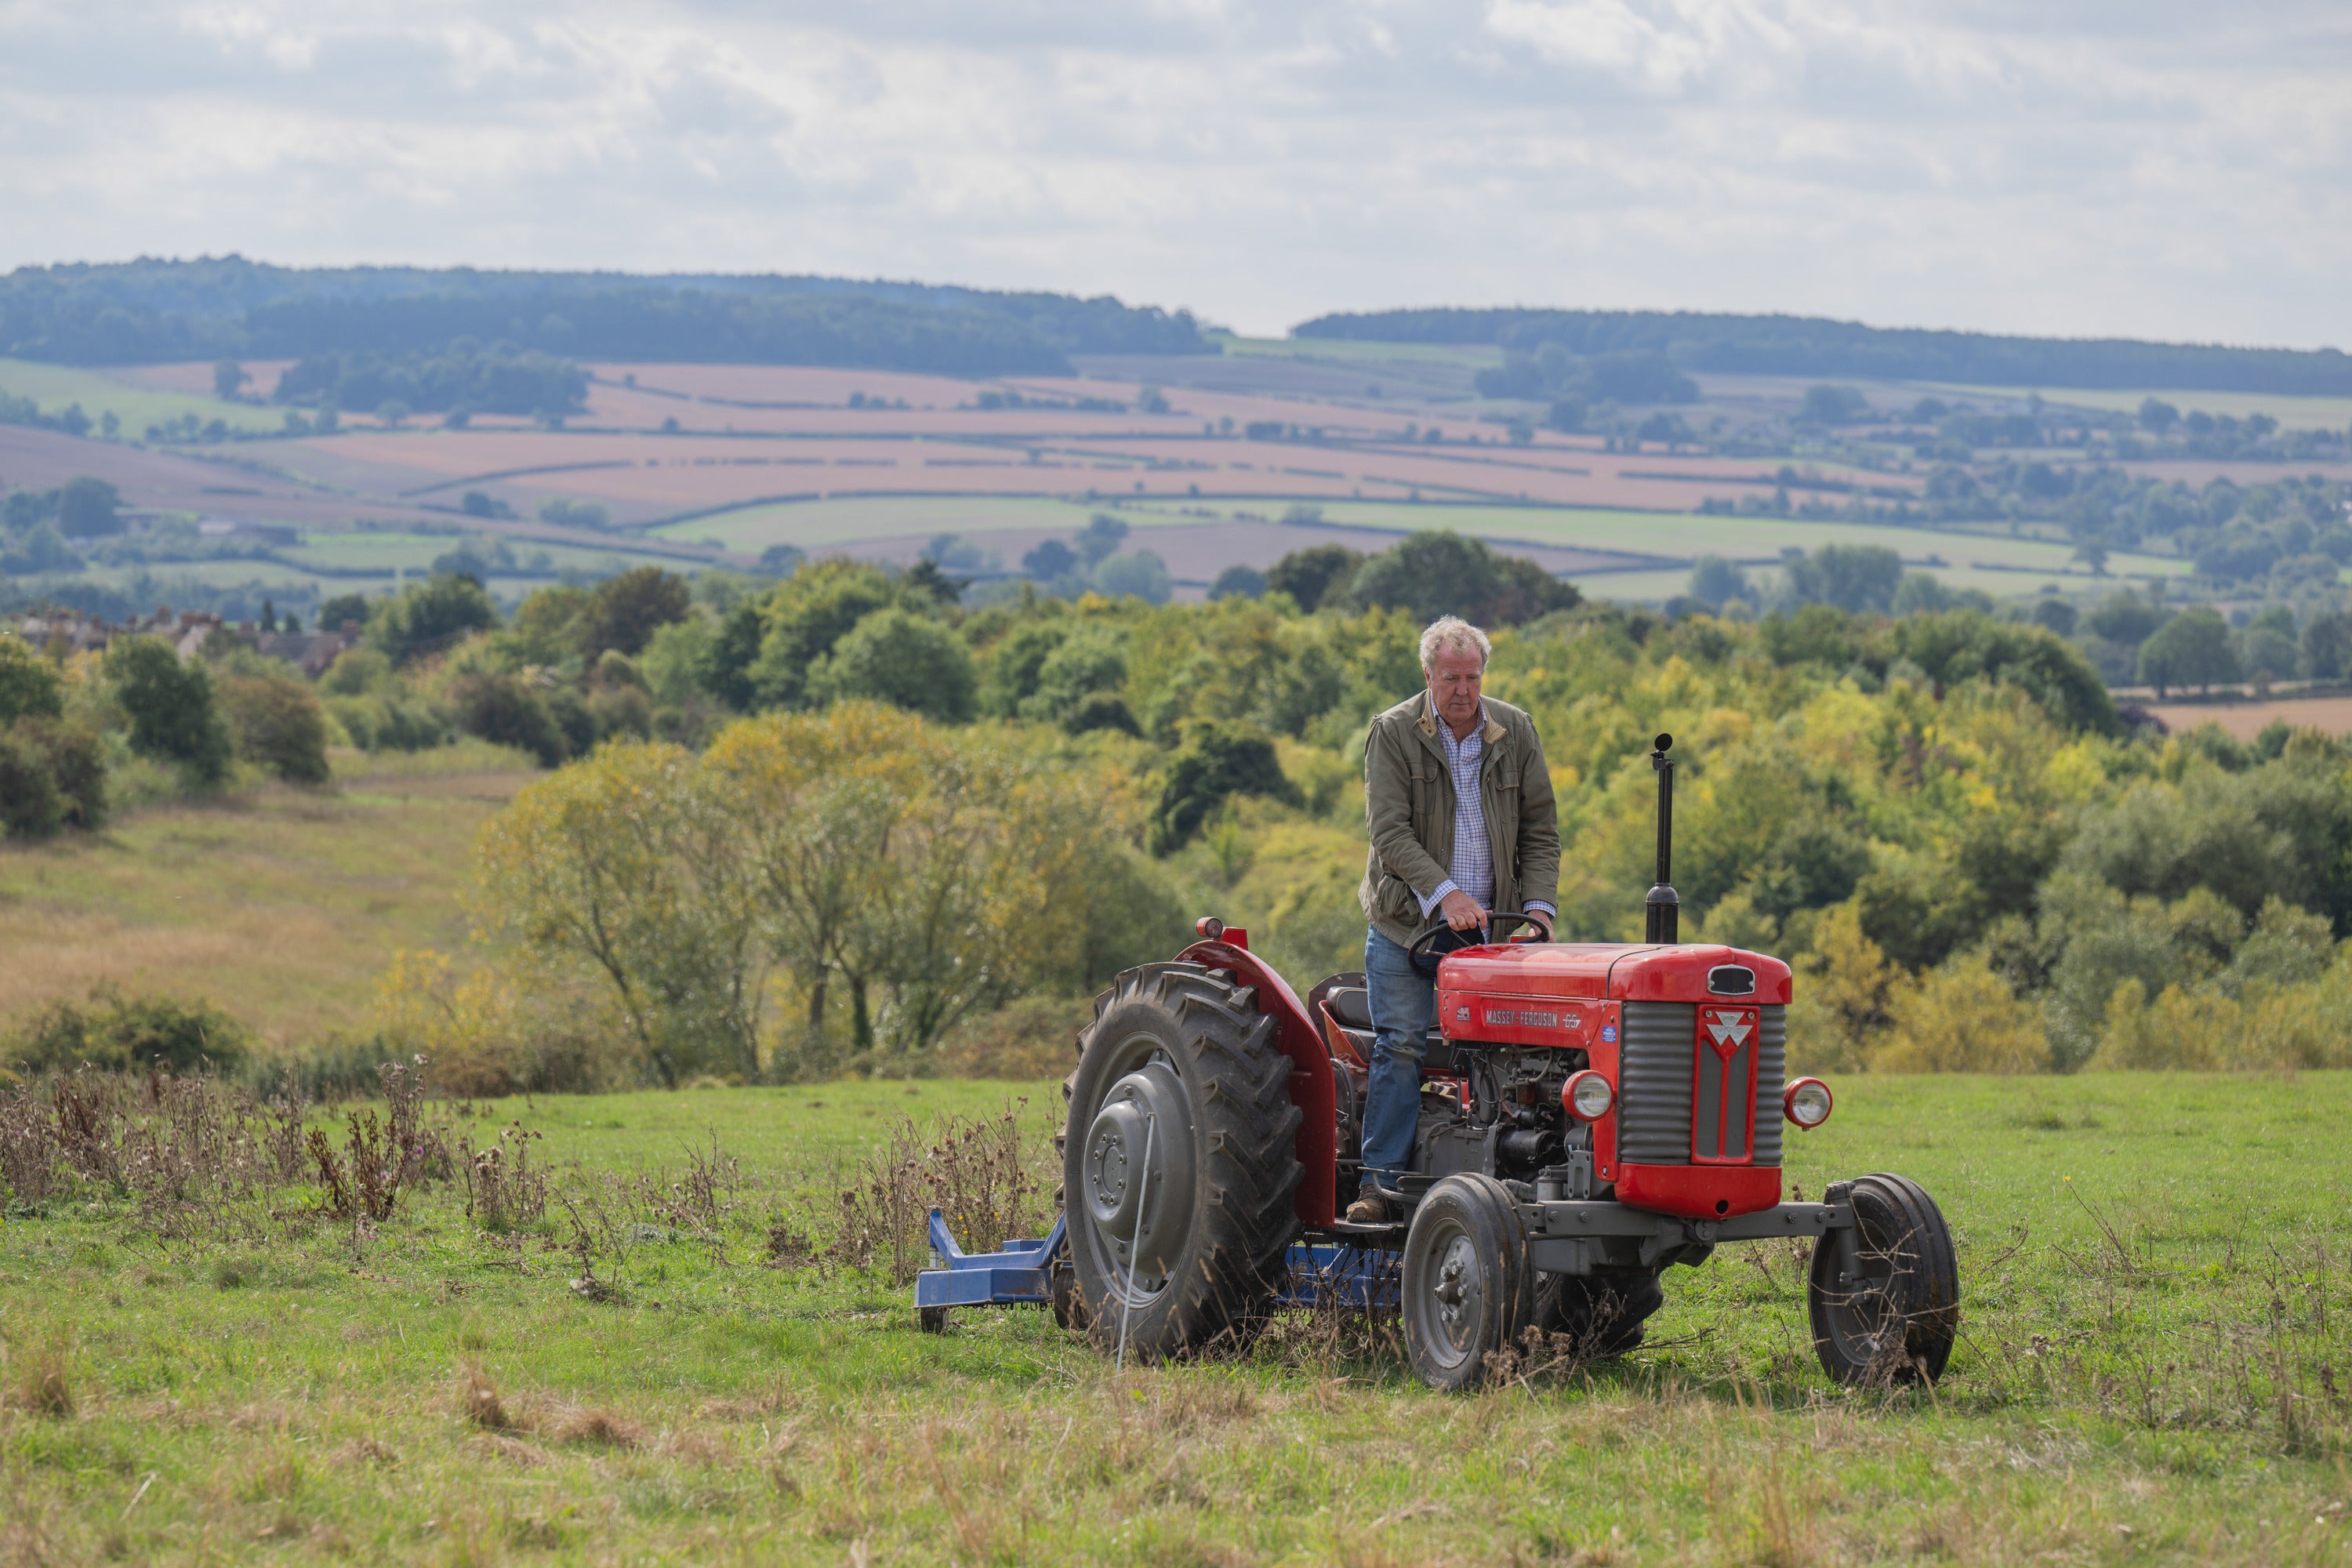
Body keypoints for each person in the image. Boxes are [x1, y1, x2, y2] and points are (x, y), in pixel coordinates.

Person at [1346, 615, 1559, 1224]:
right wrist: (1444, 894)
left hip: (1491, 935)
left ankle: (1503, 1180)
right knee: (1405, 1044)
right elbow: (1388, 831)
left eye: (1471, 677)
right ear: (1428, 675)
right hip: (1408, 924)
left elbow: (1540, 831)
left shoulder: (1513, 730)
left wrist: (1539, 910)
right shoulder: (1392, 732)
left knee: (1509, 1056)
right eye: (1449, 678)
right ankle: (1381, 1185)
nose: (1462, 690)